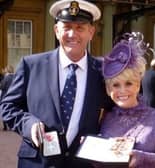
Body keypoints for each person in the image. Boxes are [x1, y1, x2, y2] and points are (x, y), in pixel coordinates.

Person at [0, 0, 112, 168]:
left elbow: (119, 109)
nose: (72, 34)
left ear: (91, 32)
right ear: (56, 31)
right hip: (37, 161)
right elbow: (8, 106)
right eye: (66, 27)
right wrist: (28, 124)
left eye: (80, 27)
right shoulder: (31, 66)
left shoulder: (103, 72)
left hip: (82, 163)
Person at [95, 32, 155, 168]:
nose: (122, 90)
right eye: (116, 85)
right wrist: (91, 151)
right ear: (108, 89)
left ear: (138, 85)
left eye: (128, 83)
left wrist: (141, 158)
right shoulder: (104, 118)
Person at [0, 65, 14, 130]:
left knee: (4, 111)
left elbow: (2, 87)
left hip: (5, 97)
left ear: (7, 70)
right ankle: (12, 125)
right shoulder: (15, 77)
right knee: (12, 111)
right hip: (13, 96)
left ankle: (5, 126)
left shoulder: (6, 78)